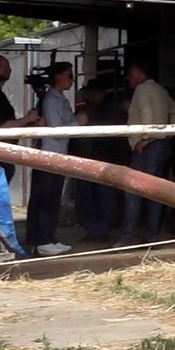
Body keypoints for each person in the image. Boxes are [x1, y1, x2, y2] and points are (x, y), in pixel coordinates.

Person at [115, 61, 175, 247]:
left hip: (147, 146)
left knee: (133, 190)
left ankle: (125, 238)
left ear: (137, 71)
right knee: (154, 191)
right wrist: (167, 133)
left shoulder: (142, 90)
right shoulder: (161, 90)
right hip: (161, 145)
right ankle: (152, 234)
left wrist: (145, 137)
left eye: (130, 73)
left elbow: (146, 113)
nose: (128, 78)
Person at [26, 62, 75, 256]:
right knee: (46, 198)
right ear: (58, 77)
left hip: (58, 154)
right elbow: (56, 128)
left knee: (53, 198)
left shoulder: (59, 99)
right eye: (69, 75)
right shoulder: (52, 100)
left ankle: (49, 236)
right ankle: (42, 240)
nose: (72, 79)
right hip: (49, 154)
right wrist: (79, 123)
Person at [71, 78, 125, 243]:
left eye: (94, 92)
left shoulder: (111, 110)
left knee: (104, 196)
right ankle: (92, 229)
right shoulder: (84, 109)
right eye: (89, 93)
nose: (91, 95)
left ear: (102, 93)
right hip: (86, 159)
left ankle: (102, 229)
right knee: (86, 196)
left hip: (104, 159)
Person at [0, 56, 41, 260]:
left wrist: (27, 124)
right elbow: (2, 127)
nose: (10, 70)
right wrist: (27, 119)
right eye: (6, 66)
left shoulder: (2, 95)